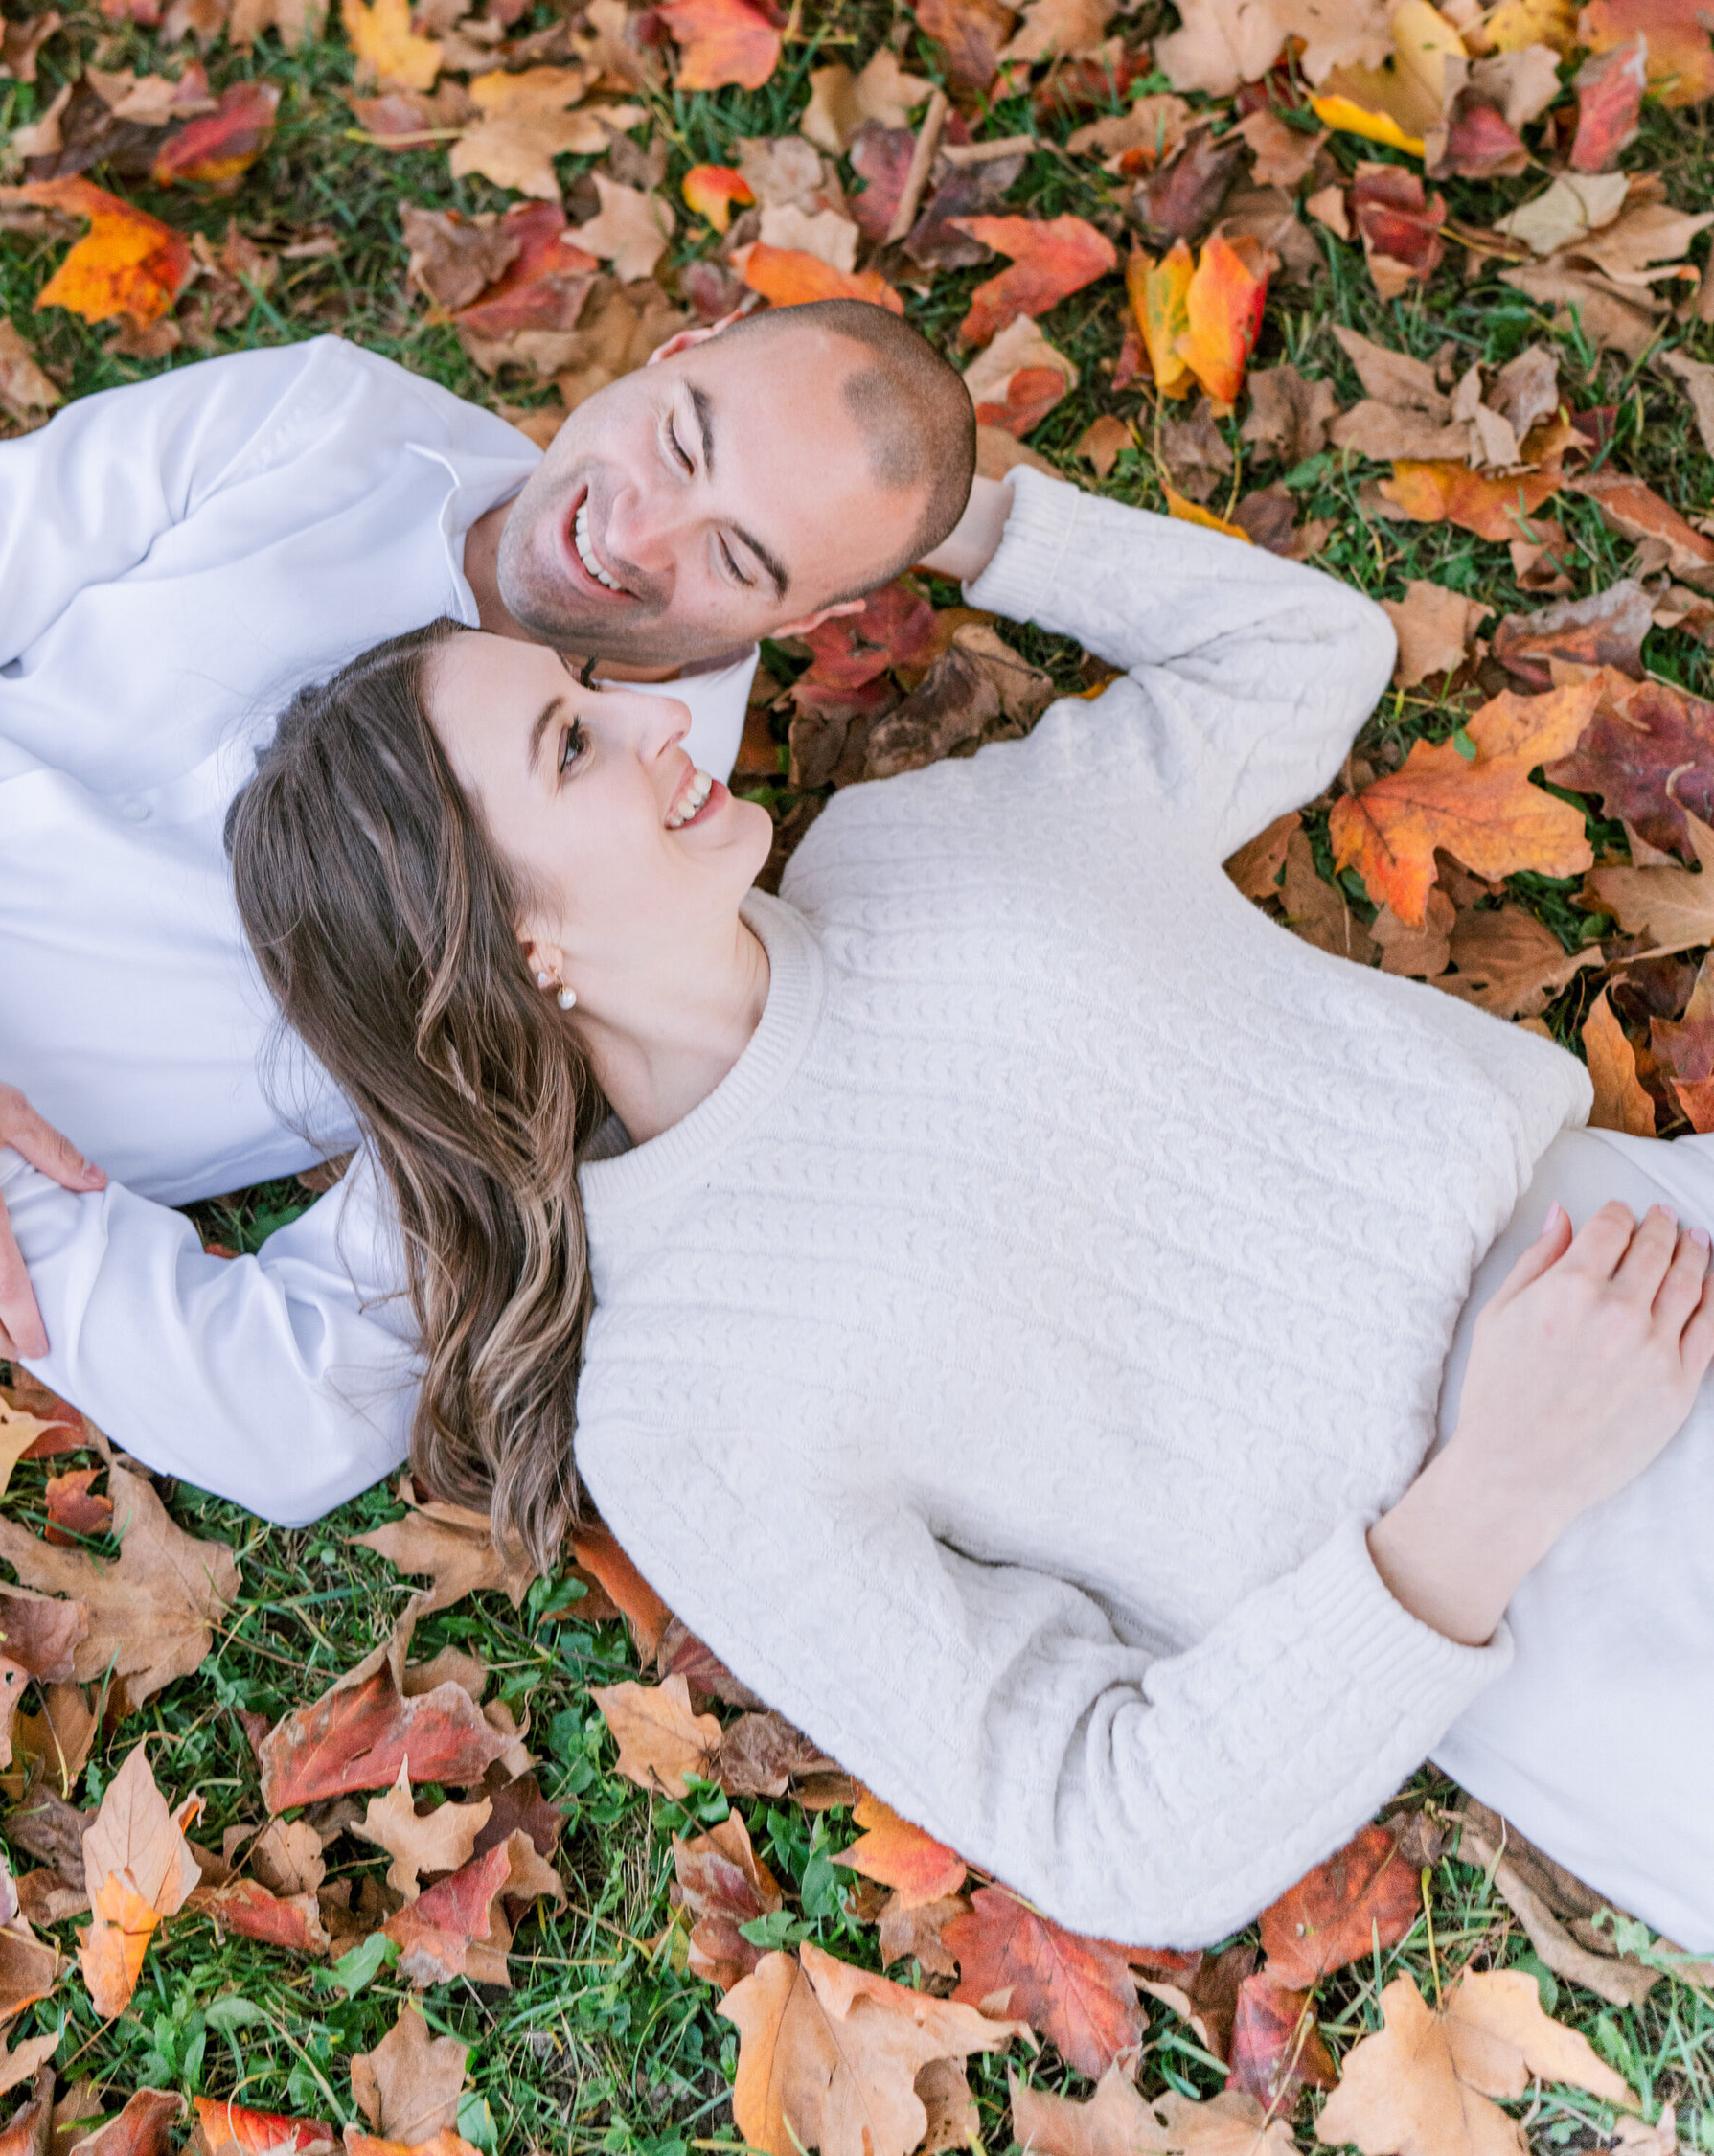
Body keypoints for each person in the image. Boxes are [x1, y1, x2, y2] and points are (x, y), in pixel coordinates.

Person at [225, 457, 1714, 1954]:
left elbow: (1304, 656)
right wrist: (1498, 1490)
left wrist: (926, 510)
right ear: (508, 945)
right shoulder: (680, 1405)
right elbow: (1114, 1833)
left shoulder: (910, 849)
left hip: (1667, 1232)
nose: (662, 713)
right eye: (571, 746)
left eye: (592, 683)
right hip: (1603, 1597)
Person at [0, 306, 976, 1509]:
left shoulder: (638, 885)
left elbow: (306, 1404)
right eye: (682, 440)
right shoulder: (330, 416)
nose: (632, 536)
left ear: (817, 619)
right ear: (677, 349)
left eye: (735, 557)